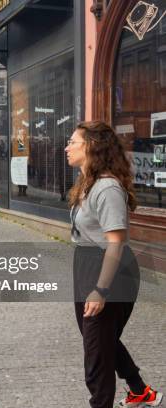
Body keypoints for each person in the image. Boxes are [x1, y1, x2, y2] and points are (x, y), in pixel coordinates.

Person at [65, 121, 163, 408]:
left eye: (73, 142)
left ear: (92, 146)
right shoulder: (87, 183)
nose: (67, 147)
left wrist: (101, 289)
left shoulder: (106, 187)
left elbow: (115, 243)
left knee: (96, 352)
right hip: (86, 263)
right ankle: (140, 391)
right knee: (99, 340)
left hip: (109, 270)